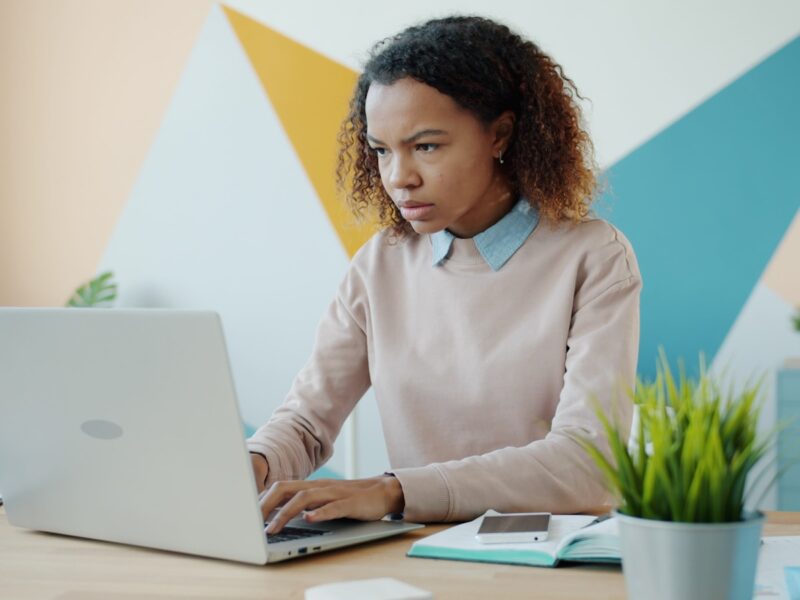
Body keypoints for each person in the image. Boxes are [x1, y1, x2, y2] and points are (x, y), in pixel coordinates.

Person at [248, 15, 642, 534]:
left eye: (426, 146)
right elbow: (304, 423)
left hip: (549, 557)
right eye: (382, 150)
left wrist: (394, 489)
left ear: (500, 133)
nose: (398, 178)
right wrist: (250, 467)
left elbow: (588, 463)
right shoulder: (380, 263)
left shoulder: (594, 257)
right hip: (422, 553)